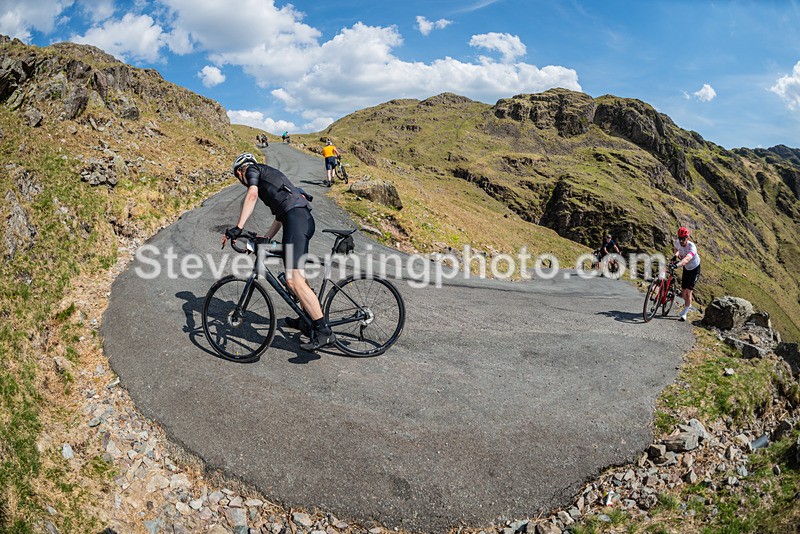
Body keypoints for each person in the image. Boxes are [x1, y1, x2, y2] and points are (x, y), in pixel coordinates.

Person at [223, 152, 336, 350]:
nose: (243, 181)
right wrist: (266, 238)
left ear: (240, 172)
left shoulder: (252, 170)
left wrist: (239, 227)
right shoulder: (270, 179)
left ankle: (324, 332)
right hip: (298, 219)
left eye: (239, 177)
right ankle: (306, 319)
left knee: (293, 280)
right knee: (298, 278)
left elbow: (252, 194)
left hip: (297, 220)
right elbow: (280, 217)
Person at [673, 226, 701, 322]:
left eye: (683, 239)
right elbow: (676, 249)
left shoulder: (692, 247)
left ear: (687, 238)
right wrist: (675, 256)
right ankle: (688, 304)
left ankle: (684, 313)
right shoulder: (677, 242)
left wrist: (677, 265)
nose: (681, 241)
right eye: (680, 238)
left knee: (688, 292)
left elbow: (686, 259)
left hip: (694, 269)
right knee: (683, 291)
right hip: (686, 269)